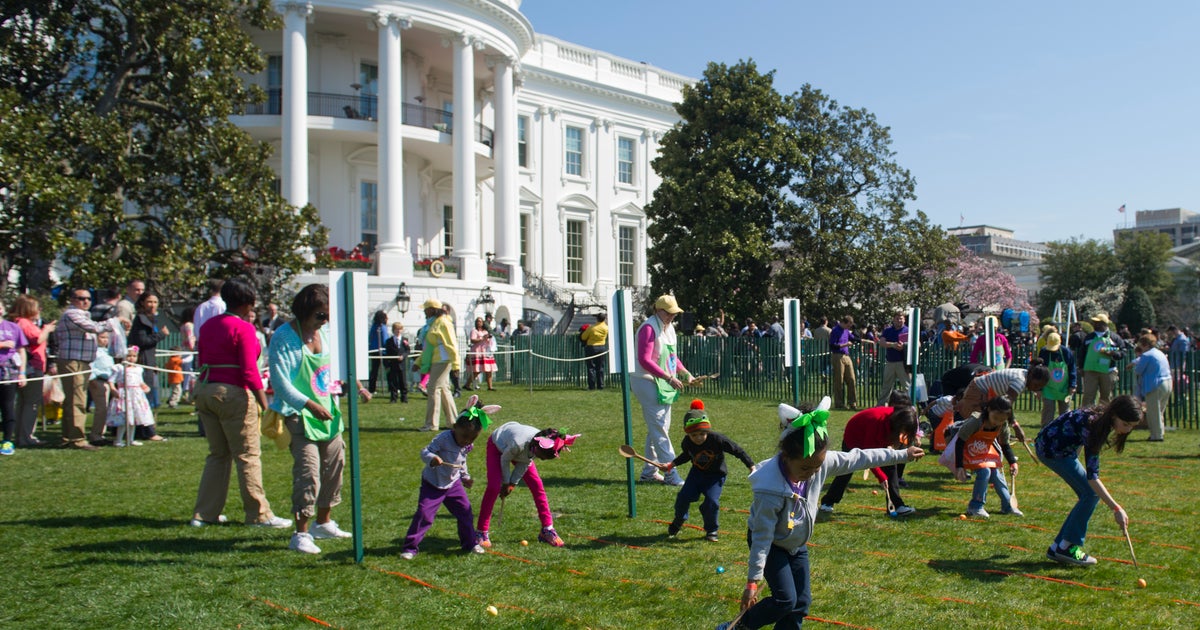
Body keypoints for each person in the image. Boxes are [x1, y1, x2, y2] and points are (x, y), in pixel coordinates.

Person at [716, 402, 924, 630]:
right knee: (785, 600)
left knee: (801, 603)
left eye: (817, 468)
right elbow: (761, 537)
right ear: (786, 456)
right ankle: (739, 627)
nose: (812, 473)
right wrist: (752, 581)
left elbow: (859, 457)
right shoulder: (770, 489)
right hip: (772, 544)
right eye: (805, 468)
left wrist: (902, 454)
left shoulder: (820, 463)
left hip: (796, 544)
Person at [191, 277, 291, 530]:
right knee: (247, 455)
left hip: (205, 389)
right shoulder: (243, 328)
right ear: (248, 303)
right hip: (232, 393)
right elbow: (249, 371)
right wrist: (265, 404)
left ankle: (204, 514)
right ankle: (259, 514)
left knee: (218, 454)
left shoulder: (209, 325)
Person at [268, 283, 362, 554]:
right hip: (299, 415)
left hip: (328, 412)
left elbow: (339, 366)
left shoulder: (328, 333)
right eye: (320, 315)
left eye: (328, 316)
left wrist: (355, 385)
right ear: (304, 311)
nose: (325, 321)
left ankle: (323, 522)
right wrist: (309, 405)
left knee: (334, 467)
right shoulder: (284, 337)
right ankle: (301, 532)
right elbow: (281, 383)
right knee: (308, 473)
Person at [1035, 395, 1140, 566]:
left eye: (1132, 426)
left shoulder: (1101, 418)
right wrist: (1116, 508)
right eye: (1126, 424)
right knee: (1091, 493)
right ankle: (1066, 546)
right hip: (1051, 451)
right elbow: (1093, 477)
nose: (1127, 430)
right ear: (1114, 415)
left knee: (1088, 494)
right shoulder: (1094, 427)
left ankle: (1057, 548)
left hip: (1060, 449)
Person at [399, 396, 497, 559]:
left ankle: (470, 543)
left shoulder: (467, 444)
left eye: (472, 438)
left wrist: (465, 477)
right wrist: (432, 459)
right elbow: (425, 452)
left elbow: (461, 461)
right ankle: (410, 548)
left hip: (453, 484)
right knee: (424, 515)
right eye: (464, 436)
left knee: (465, 512)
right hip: (433, 484)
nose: (467, 441)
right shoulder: (444, 438)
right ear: (454, 427)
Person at [660, 399, 755, 541]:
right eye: (694, 435)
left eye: (702, 434)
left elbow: (737, 450)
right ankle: (679, 519)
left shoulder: (717, 439)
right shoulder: (687, 442)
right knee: (683, 497)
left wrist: (751, 466)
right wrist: (671, 465)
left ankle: (711, 530)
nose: (698, 438)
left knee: (711, 502)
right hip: (696, 475)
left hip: (715, 476)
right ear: (688, 434)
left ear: (707, 431)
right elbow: (686, 455)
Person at [474, 421, 578, 549]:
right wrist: (506, 482)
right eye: (542, 457)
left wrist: (512, 483)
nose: (542, 459)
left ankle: (547, 529)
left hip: (522, 451)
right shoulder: (519, 443)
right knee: (494, 487)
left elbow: (524, 463)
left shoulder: (538, 446)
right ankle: (481, 531)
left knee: (537, 486)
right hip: (498, 446)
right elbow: (505, 460)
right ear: (537, 448)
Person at [631, 295, 695, 486]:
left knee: (659, 427)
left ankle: (649, 472)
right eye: (668, 313)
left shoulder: (669, 328)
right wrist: (669, 377)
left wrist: (685, 373)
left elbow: (672, 357)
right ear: (658, 310)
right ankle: (670, 473)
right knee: (659, 427)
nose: (672, 316)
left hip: (663, 381)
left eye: (674, 313)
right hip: (645, 380)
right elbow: (644, 360)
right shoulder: (649, 328)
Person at [818, 401, 919, 517]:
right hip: (854, 437)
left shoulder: (899, 418)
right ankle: (827, 502)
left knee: (891, 467)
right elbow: (869, 456)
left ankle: (897, 506)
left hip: (875, 436)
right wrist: (881, 476)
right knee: (846, 470)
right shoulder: (877, 422)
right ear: (899, 425)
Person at [55, 288, 121, 451]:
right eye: (81, 298)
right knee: (77, 400)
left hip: (82, 361)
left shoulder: (84, 314)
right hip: (73, 360)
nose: (86, 301)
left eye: (88, 299)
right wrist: (114, 322)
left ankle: (68, 436)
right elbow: (93, 328)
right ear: (72, 299)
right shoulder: (72, 314)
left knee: (73, 400)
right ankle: (77, 439)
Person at [949, 396, 1021, 518]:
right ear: (988, 410)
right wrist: (960, 466)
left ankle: (1008, 506)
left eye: (1002, 420)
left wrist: (1013, 462)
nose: (997, 422)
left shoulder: (1003, 425)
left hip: (985, 451)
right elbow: (960, 442)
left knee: (996, 474)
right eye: (995, 418)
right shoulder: (976, 421)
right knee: (984, 471)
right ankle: (975, 507)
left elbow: (1005, 445)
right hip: (967, 451)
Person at [959, 363, 1050, 442]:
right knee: (974, 425)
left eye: (1040, 387)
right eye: (1036, 385)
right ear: (1031, 376)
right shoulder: (1020, 381)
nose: (1036, 388)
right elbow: (1006, 406)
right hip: (977, 391)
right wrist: (1016, 427)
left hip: (985, 394)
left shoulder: (1024, 373)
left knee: (987, 425)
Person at [11, 295, 54, 448]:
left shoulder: (18, 322)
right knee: (31, 403)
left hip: (30, 367)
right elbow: (37, 339)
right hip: (32, 367)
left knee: (23, 403)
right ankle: (27, 436)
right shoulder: (24, 323)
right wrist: (47, 330)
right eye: (36, 307)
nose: (39, 310)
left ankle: (21, 436)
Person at [127, 291, 169, 439]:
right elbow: (142, 342)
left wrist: (154, 363)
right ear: (142, 303)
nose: (152, 305)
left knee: (148, 397)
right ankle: (147, 432)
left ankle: (142, 430)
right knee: (145, 398)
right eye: (149, 302)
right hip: (142, 362)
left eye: (155, 302)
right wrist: (161, 335)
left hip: (148, 361)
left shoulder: (151, 319)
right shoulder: (141, 319)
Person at [417, 299, 460, 432]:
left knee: (433, 389)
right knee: (444, 390)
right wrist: (419, 361)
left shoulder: (443, 323)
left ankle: (431, 424)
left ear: (431, 310)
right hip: (439, 359)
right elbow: (429, 347)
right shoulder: (435, 323)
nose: (424, 312)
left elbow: (452, 344)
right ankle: (453, 422)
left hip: (443, 360)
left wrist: (456, 364)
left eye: (425, 309)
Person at [107, 344, 154, 447]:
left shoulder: (138, 369)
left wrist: (145, 387)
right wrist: (113, 389)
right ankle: (118, 440)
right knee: (124, 418)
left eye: (134, 356)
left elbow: (140, 382)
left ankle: (131, 439)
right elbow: (111, 380)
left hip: (136, 396)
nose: (131, 358)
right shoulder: (119, 368)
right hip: (124, 394)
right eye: (129, 356)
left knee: (134, 418)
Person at [0, 299, 28, 455]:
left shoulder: (13, 327)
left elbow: (21, 351)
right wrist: (2, 345)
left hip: (8, 371)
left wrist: (22, 373)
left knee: (8, 406)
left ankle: (7, 441)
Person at [1130, 334, 1171, 442]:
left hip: (1155, 384)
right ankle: (1160, 432)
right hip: (1167, 382)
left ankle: (1156, 436)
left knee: (1153, 412)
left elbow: (1138, 370)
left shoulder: (1146, 355)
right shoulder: (1160, 353)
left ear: (1144, 344)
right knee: (1160, 410)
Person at [1078, 313, 1124, 407]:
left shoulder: (1114, 337)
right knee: (1088, 397)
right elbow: (1082, 353)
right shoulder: (1089, 337)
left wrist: (1113, 353)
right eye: (1094, 322)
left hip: (1108, 371)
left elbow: (1123, 351)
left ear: (1104, 324)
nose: (1094, 324)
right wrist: (1081, 367)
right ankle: (1086, 415)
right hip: (1090, 371)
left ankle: (1105, 415)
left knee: (1106, 398)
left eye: (1097, 322)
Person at [1038, 332, 1077, 427]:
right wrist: (1039, 389)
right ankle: (1046, 431)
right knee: (1048, 411)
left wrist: (1072, 385)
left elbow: (1072, 369)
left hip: (1064, 388)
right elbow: (1040, 370)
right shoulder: (1044, 352)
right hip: (1048, 388)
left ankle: (1064, 431)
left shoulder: (1066, 352)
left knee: (1065, 413)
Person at [829, 315, 865, 410]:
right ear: (844, 323)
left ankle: (852, 403)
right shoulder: (835, 330)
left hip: (846, 355)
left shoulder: (846, 330)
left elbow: (853, 338)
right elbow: (832, 345)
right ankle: (839, 403)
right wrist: (845, 344)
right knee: (839, 380)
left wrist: (863, 340)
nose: (849, 327)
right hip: (837, 356)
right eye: (848, 325)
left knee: (852, 379)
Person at [877, 312, 909, 406]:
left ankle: (910, 405)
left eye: (901, 318)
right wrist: (893, 345)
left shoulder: (908, 330)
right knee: (886, 385)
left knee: (907, 386)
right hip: (890, 362)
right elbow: (881, 342)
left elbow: (918, 344)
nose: (899, 320)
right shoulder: (887, 330)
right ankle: (881, 405)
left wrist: (904, 345)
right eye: (897, 318)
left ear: (904, 319)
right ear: (893, 320)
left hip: (903, 362)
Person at [464, 317, 497, 391]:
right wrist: (482, 338)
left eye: (480, 321)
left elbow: (488, 339)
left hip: (485, 351)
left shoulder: (485, 331)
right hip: (478, 351)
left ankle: (490, 386)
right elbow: (473, 340)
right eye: (478, 321)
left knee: (489, 369)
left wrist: (489, 338)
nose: (479, 323)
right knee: (477, 370)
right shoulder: (474, 331)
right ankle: (467, 384)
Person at [192, 279, 225, 344]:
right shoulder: (224, 306)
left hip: (203, 344)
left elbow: (197, 328)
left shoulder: (201, 307)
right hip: (220, 344)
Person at [581, 312, 608, 390]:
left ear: (597, 319)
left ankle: (591, 386)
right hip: (602, 347)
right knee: (600, 367)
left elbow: (583, 337)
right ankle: (600, 385)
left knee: (591, 367)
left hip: (591, 347)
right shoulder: (606, 328)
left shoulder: (592, 328)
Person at [384, 322, 410, 403]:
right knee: (393, 382)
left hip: (402, 364)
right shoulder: (389, 341)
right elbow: (387, 353)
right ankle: (393, 398)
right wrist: (387, 364)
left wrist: (403, 356)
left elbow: (408, 350)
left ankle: (404, 397)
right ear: (393, 330)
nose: (398, 331)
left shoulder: (405, 340)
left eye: (400, 329)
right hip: (393, 364)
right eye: (396, 329)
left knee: (403, 381)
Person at [367, 310, 390, 395]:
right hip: (383, 351)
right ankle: (391, 387)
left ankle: (372, 388)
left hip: (374, 350)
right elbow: (385, 339)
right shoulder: (382, 327)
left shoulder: (373, 326)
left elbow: (370, 337)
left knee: (374, 370)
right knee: (388, 369)